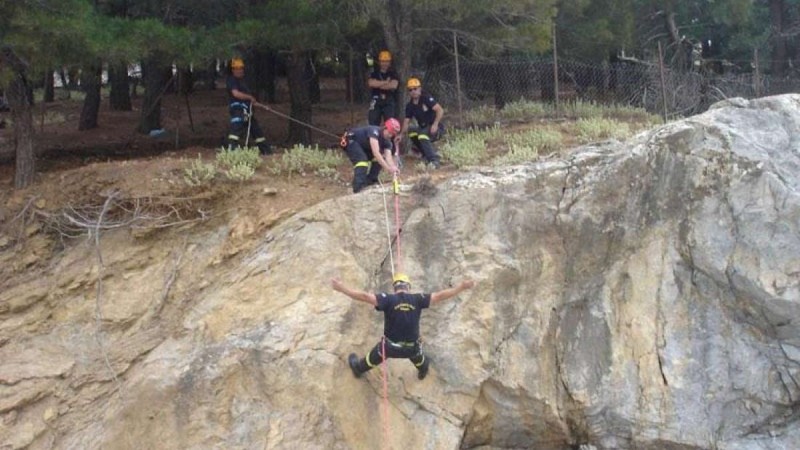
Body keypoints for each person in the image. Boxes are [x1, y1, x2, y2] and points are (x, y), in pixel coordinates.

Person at [331, 273, 475, 380]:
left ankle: (359, 368)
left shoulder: (388, 299)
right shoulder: (418, 299)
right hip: (412, 348)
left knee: (372, 357)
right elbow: (439, 296)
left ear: (395, 288)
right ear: (408, 287)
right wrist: (461, 287)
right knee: (419, 358)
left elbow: (364, 296)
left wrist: (342, 289)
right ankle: (423, 369)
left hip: (389, 348)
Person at [340, 119, 401, 193]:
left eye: (392, 134)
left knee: (380, 158)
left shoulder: (388, 142)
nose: (390, 135)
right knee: (362, 161)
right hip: (351, 141)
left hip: (364, 147)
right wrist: (387, 168)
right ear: (385, 128)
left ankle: (370, 181)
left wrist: (393, 167)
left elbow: (388, 157)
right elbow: (376, 152)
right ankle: (357, 187)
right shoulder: (374, 132)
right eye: (389, 132)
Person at [225, 58, 271, 155]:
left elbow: (250, 101)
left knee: (256, 130)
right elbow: (236, 94)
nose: (239, 70)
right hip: (238, 110)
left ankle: (265, 150)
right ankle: (231, 149)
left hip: (247, 110)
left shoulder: (243, 82)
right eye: (237, 68)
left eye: (241, 68)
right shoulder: (232, 80)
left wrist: (263, 106)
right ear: (233, 70)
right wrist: (249, 97)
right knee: (236, 129)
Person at [400, 77, 445, 168]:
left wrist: (435, 124)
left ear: (420, 88)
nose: (413, 91)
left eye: (415, 88)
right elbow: (406, 121)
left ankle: (434, 160)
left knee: (422, 135)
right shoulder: (410, 106)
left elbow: (440, 110)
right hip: (423, 127)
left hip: (435, 127)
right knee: (412, 131)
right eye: (410, 90)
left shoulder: (426, 98)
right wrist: (401, 135)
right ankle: (425, 154)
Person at [367, 50, 399, 127]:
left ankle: (388, 138)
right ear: (379, 62)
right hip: (376, 99)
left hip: (389, 100)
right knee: (373, 121)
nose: (385, 63)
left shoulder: (393, 73)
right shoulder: (374, 73)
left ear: (390, 62)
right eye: (383, 61)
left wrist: (378, 84)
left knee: (390, 123)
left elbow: (393, 85)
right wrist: (386, 82)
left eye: (387, 61)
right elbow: (371, 83)